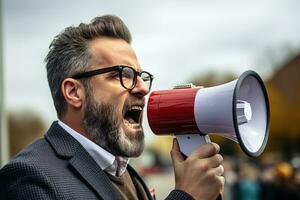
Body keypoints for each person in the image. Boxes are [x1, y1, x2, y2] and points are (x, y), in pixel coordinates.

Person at [0, 15, 224, 200]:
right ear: (73, 92)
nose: (142, 88)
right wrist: (185, 196)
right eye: (122, 75)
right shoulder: (29, 179)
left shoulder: (126, 174)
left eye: (140, 76)